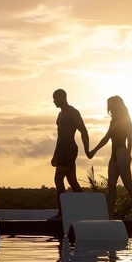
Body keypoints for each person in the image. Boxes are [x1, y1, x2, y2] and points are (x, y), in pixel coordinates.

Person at [87, 95, 132, 221]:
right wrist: (94, 150)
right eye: (109, 104)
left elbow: (130, 138)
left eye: (111, 104)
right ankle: (109, 216)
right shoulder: (113, 121)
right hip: (113, 155)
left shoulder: (126, 119)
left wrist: (128, 154)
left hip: (122, 153)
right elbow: (106, 138)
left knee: (128, 185)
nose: (109, 107)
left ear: (117, 104)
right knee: (111, 187)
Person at [50, 89, 89, 220]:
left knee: (58, 178)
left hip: (69, 149)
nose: (54, 101)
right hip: (61, 149)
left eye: (55, 98)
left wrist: (87, 150)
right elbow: (59, 137)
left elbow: (83, 131)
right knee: (72, 182)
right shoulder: (60, 115)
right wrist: (55, 155)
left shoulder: (73, 113)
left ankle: (62, 213)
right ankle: (88, 207)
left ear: (62, 98)